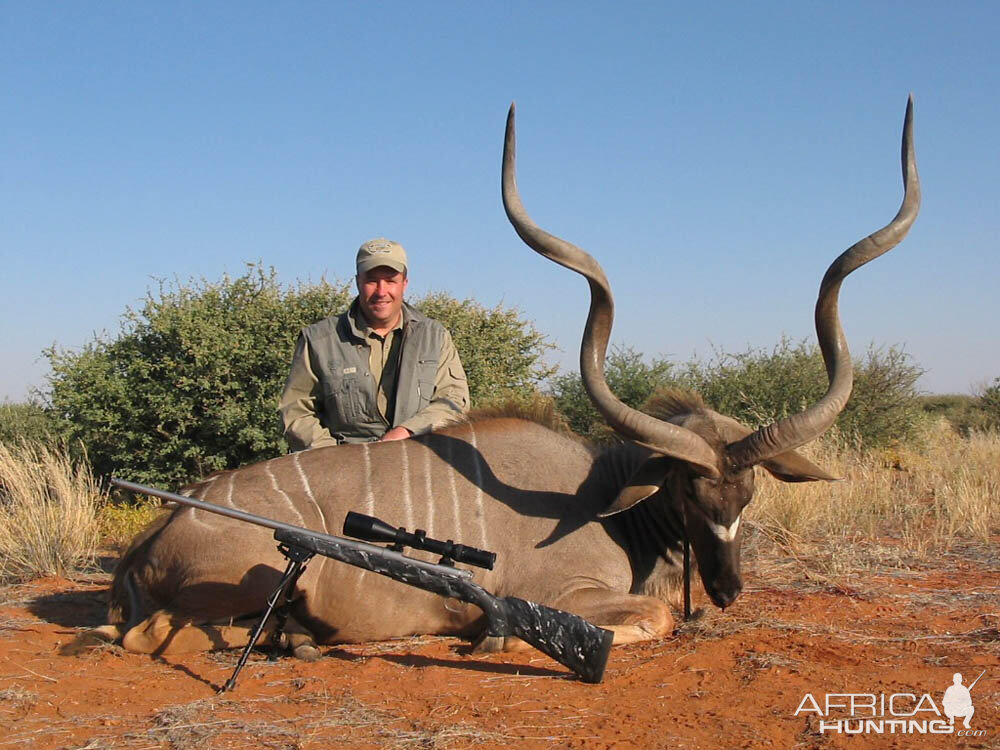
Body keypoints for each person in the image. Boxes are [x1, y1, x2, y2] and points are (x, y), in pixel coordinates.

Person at [279, 238, 469, 450]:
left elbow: (453, 402)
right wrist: (333, 456)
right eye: (372, 281)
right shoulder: (319, 340)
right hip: (343, 464)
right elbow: (296, 412)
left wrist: (406, 431)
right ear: (358, 282)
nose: (381, 291)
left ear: (404, 283)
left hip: (417, 458)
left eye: (390, 281)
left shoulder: (434, 337)